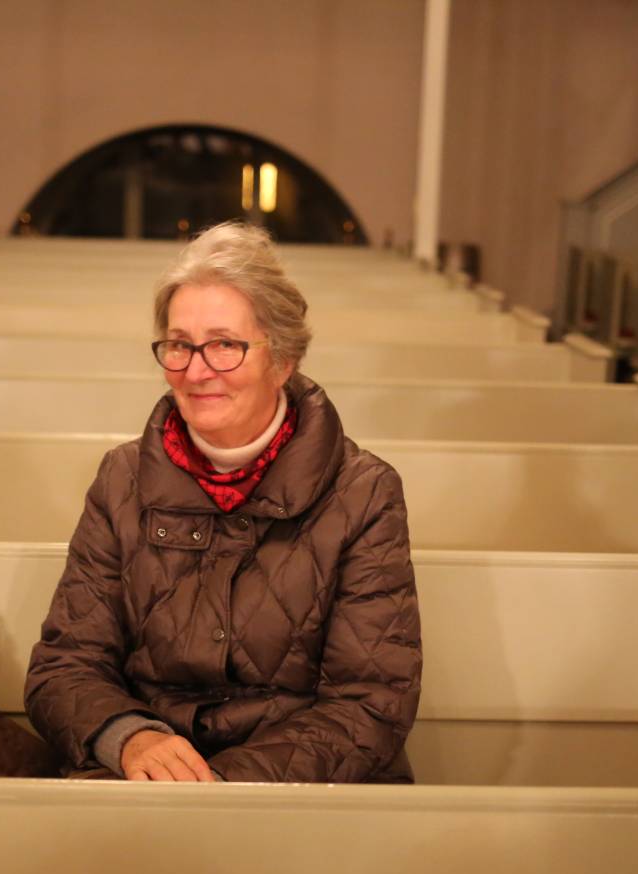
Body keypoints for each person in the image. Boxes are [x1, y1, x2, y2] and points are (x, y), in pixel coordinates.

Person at [25, 222, 422, 782]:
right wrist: (129, 738)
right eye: (180, 345)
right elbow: (64, 666)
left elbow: (370, 703)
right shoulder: (122, 476)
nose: (196, 369)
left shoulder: (363, 491)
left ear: (282, 359)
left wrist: (222, 790)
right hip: (140, 779)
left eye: (224, 345)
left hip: (300, 791)